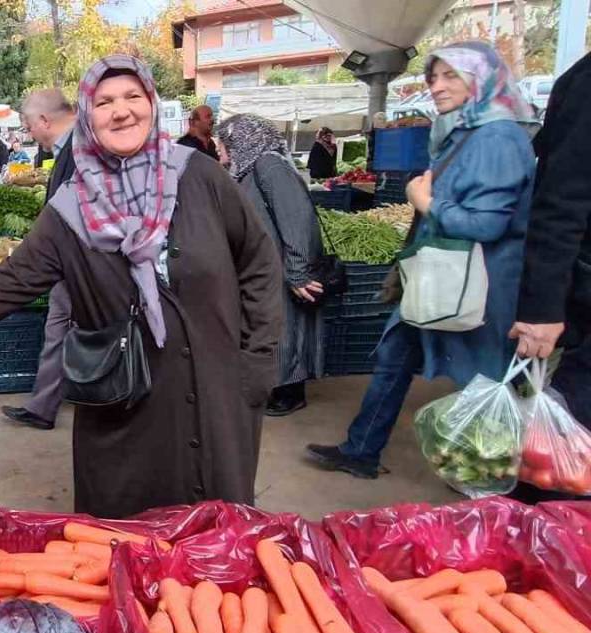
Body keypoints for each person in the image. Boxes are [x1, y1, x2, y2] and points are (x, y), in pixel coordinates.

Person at [0, 55, 283, 517]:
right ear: (88, 116)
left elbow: (258, 261)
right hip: (127, 397)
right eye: (105, 101)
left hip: (218, 391)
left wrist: (257, 362)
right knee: (129, 537)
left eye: (133, 96)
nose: (121, 111)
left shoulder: (200, 176)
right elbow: (15, 278)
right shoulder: (71, 208)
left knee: (218, 536)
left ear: (151, 104)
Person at [307, 41, 537, 479]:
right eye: (434, 76)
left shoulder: (497, 137)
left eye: (451, 75)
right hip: (439, 275)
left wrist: (424, 200)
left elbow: (487, 226)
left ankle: (492, 476)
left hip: (481, 284)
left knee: (486, 378)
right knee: (395, 355)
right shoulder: (461, 133)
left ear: (482, 80)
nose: (436, 85)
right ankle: (361, 451)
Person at [509, 52, 591, 502]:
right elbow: (560, 204)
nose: (438, 87)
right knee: (561, 465)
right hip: (578, 296)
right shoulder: (587, 84)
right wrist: (542, 308)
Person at [216, 114, 326, 417]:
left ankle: (289, 391)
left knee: (286, 328)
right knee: (273, 327)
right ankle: (276, 385)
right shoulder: (251, 170)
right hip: (266, 267)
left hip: (283, 266)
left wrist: (298, 271)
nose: (222, 154)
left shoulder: (269, 165)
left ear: (243, 141)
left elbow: (298, 217)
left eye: (225, 146)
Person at [2, 88, 77, 430]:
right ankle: (43, 405)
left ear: (45, 120)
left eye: (30, 124)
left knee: (68, 327)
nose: (29, 132)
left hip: (83, 266)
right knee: (58, 327)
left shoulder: (82, 148)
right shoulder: (68, 149)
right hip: (71, 265)